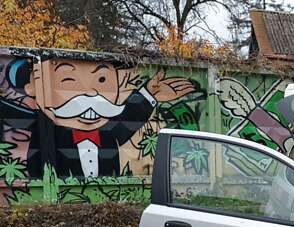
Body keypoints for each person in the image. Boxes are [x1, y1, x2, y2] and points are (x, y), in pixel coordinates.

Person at [0, 57, 195, 178]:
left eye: (102, 80)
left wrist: (150, 95)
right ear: (33, 86)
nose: (92, 93)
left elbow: (128, 119)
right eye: (69, 80)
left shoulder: (108, 133)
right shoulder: (47, 130)